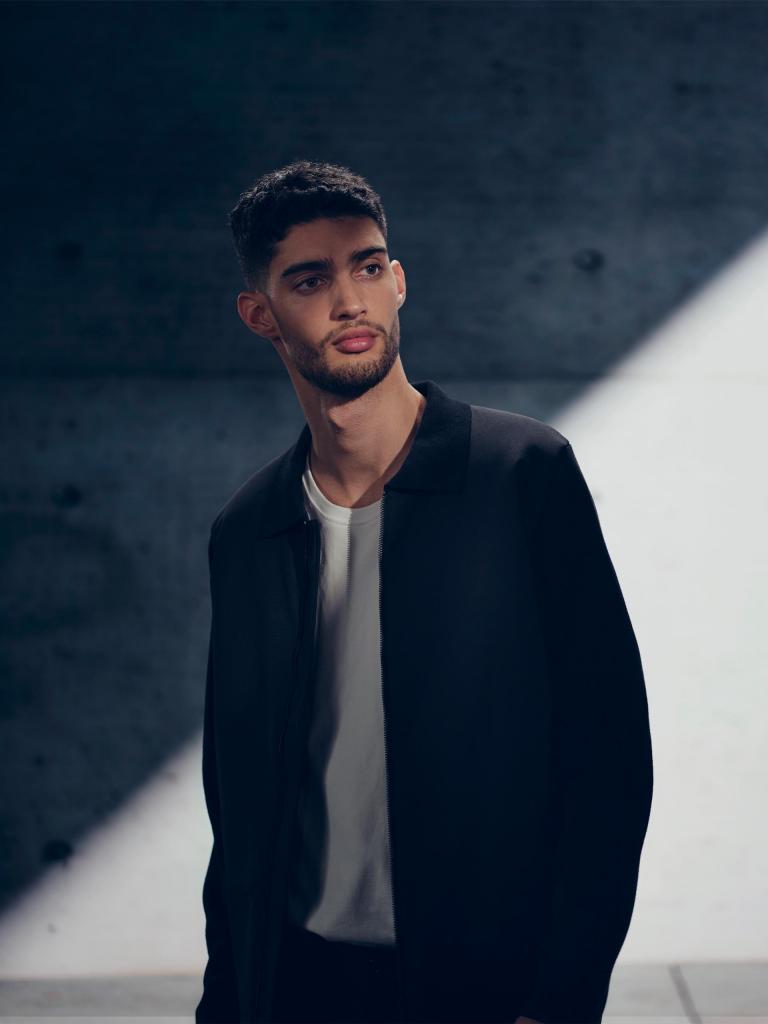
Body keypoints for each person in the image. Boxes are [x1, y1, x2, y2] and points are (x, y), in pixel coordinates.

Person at [194, 160, 654, 1024]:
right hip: (297, 985)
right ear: (262, 314)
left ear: (399, 282)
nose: (350, 302)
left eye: (368, 267)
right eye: (310, 279)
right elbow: (241, 808)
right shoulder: (247, 531)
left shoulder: (522, 474)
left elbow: (610, 763)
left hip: (481, 984)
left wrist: (558, 998)